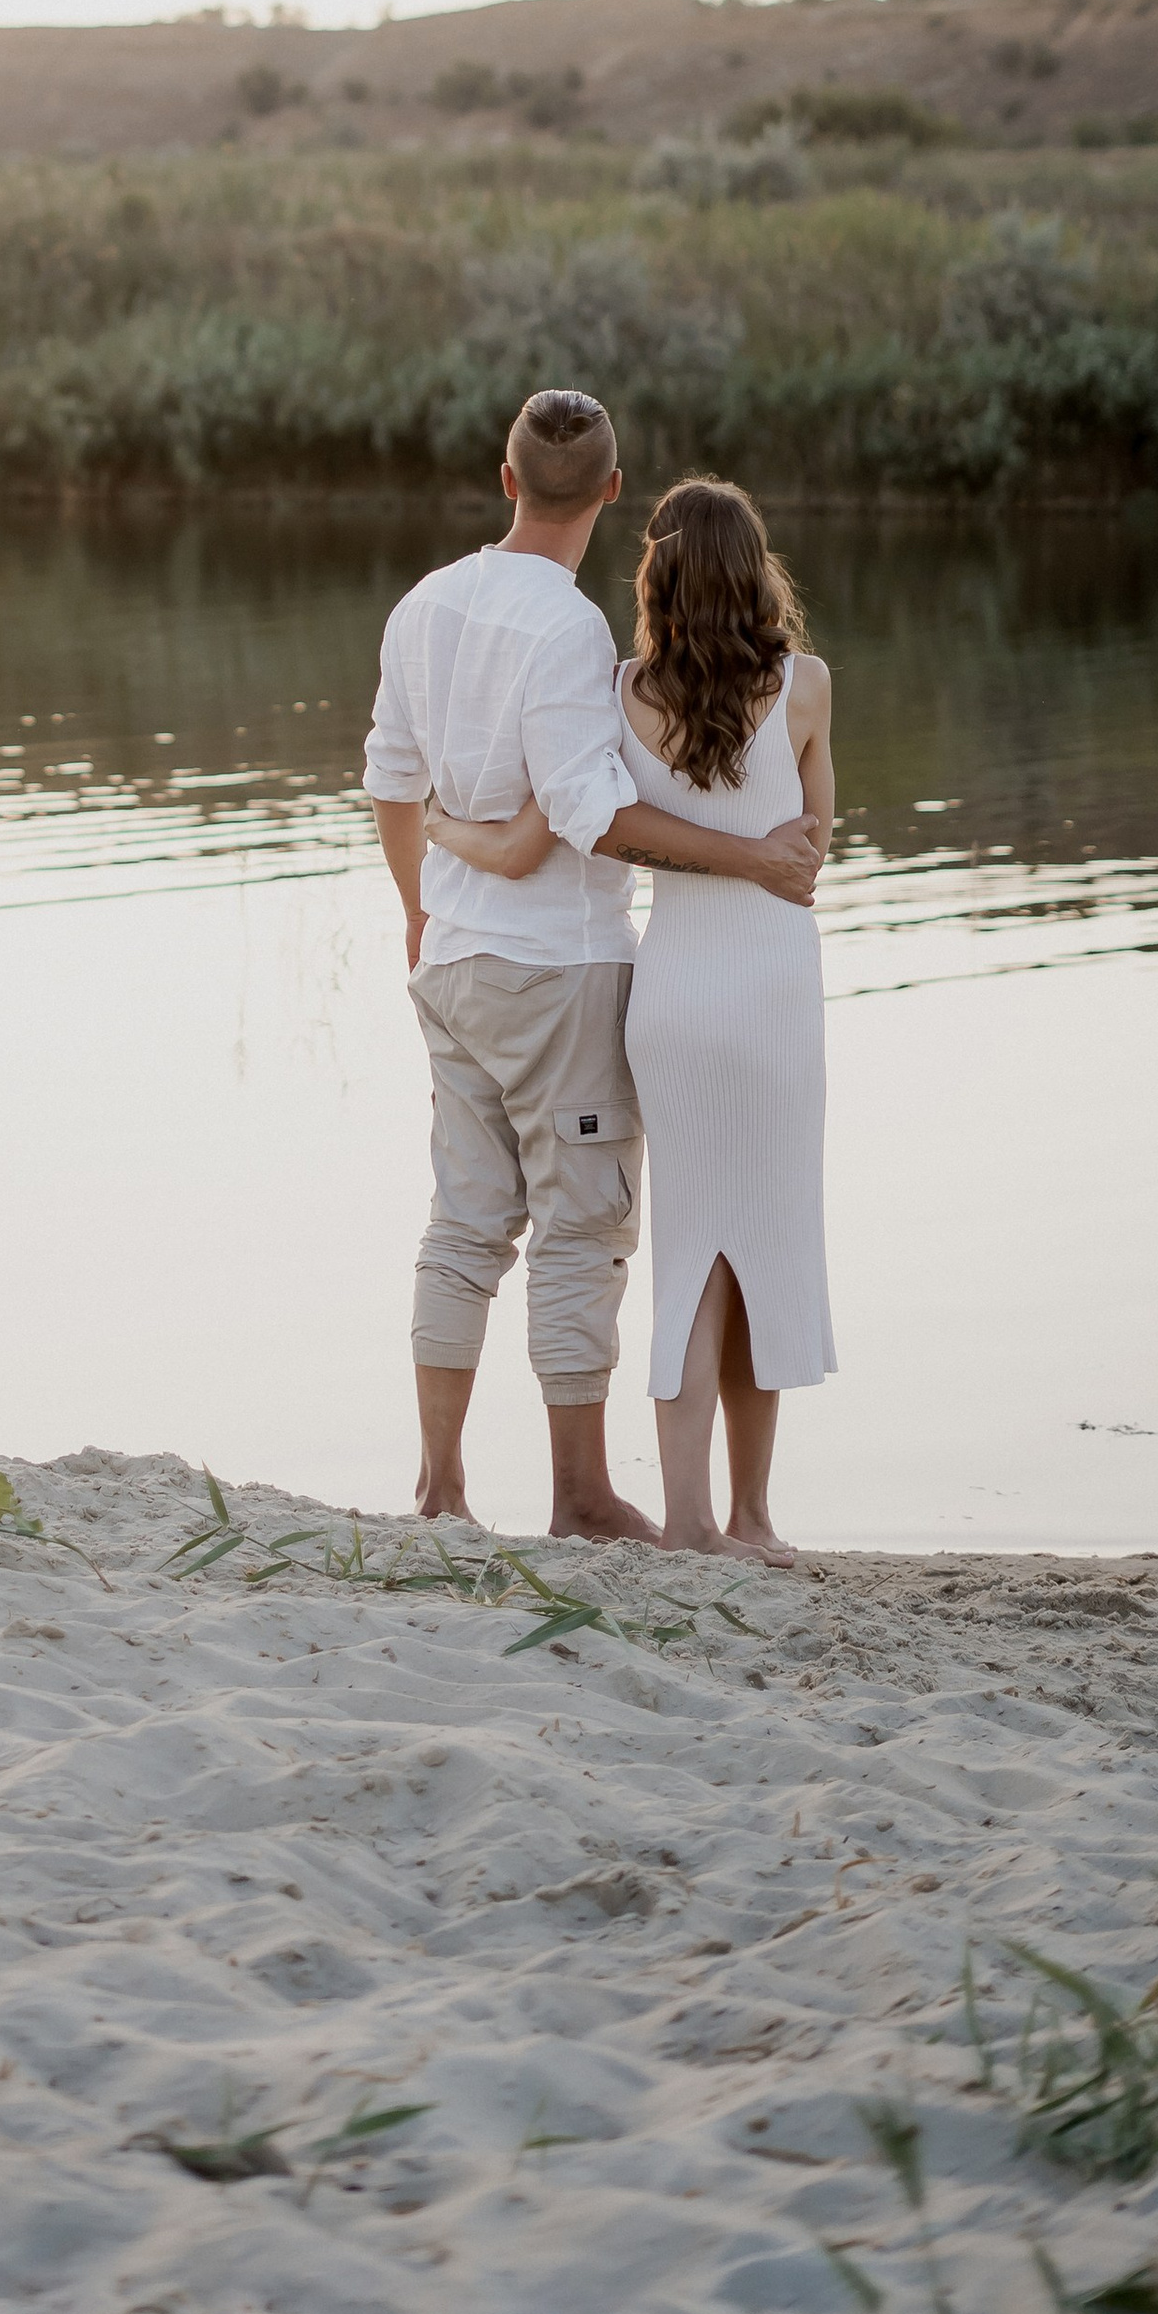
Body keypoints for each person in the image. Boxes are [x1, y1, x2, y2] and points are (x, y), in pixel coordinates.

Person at [364, 396, 824, 1542]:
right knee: (583, 1229)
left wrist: (418, 906)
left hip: (453, 960)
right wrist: (752, 860)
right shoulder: (570, 633)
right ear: (611, 493)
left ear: (505, 477)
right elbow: (594, 821)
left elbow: (388, 777)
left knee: (463, 1226)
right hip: (558, 970)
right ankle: (576, 1496)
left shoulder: (423, 603)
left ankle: (440, 1490)